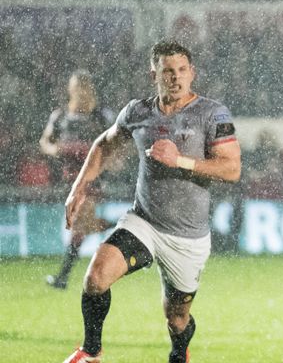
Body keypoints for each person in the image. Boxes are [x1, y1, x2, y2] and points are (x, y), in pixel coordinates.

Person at [62, 40, 241, 363]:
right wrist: (79, 187)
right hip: (143, 221)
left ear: (192, 73)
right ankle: (90, 352)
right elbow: (105, 143)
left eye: (182, 70)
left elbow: (231, 168)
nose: (175, 77)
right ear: (153, 74)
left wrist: (181, 161)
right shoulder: (138, 111)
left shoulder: (212, 113)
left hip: (187, 237)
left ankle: (179, 349)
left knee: (177, 319)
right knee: (95, 278)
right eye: (167, 71)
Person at [40, 70, 114, 289]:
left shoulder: (101, 116)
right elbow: (45, 142)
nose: (80, 92)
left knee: (80, 223)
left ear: (89, 89)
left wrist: (105, 160)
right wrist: (57, 150)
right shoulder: (60, 116)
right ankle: (125, 228)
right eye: (76, 88)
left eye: (84, 88)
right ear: (70, 90)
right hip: (68, 179)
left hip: (93, 178)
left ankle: (62, 276)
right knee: (82, 225)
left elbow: (117, 143)